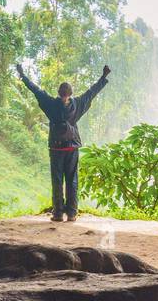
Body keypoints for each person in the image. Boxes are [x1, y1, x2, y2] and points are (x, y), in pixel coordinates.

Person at [15, 62, 110, 222]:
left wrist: (23, 75)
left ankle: (58, 213)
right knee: (72, 180)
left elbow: (36, 90)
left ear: (59, 93)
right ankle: (72, 213)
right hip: (72, 148)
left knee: (57, 180)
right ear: (71, 93)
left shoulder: (51, 104)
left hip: (56, 149)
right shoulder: (78, 103)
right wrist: (103, 77)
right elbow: (92, 92)